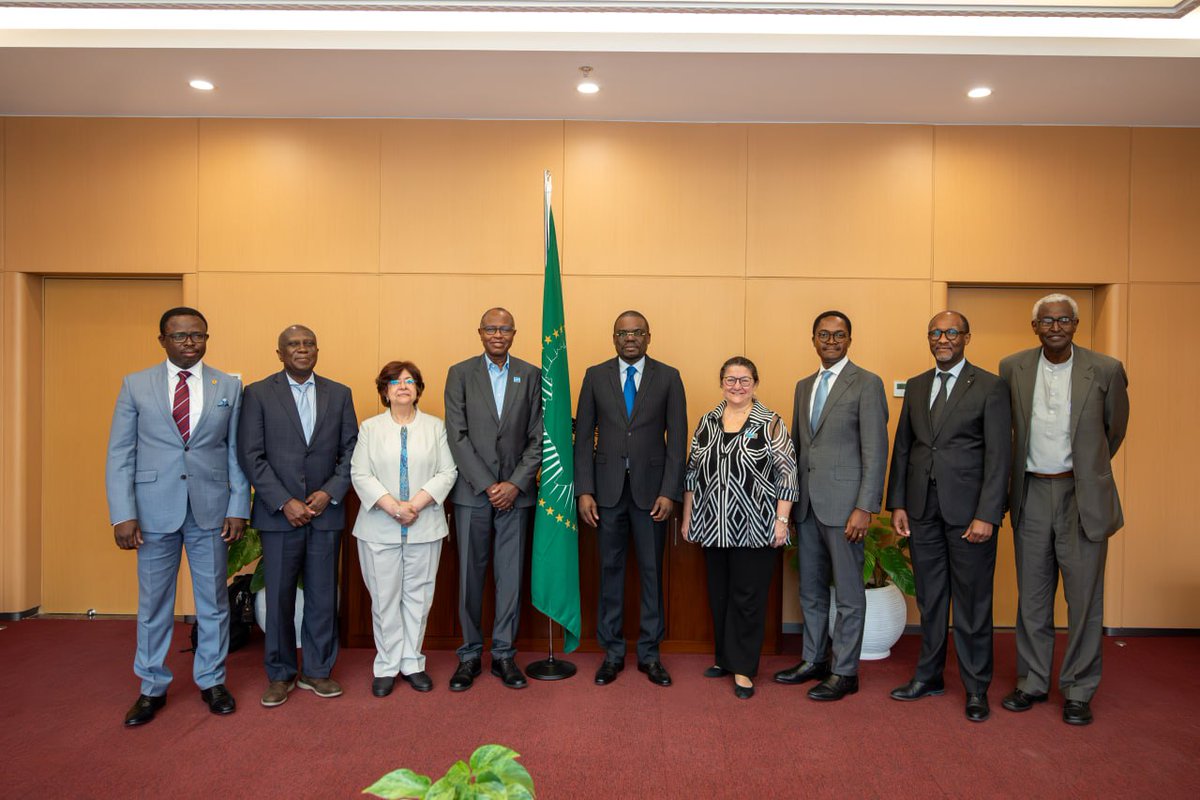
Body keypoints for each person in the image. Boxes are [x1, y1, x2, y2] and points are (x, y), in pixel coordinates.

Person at [105, 306, 250, 727]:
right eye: (180, 335)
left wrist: (238, 505)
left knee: (214, 604)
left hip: (210, 511)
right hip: (152, 513)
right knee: (153, 605)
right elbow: (120, 453)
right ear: (163, 340)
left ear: (207, 338)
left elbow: (234, 452)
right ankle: (152, 687)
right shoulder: (135, 385)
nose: (190, 342)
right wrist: (122, 514)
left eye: (198, 335)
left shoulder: (229, 385)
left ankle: (212, 680)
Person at [999, 293, 1129, 726]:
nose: (1055, 327)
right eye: (1046, 321)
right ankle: (1033, 682)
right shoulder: (1012, 367)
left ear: (1076, 324)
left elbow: (1114, 430)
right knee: (1032, 598)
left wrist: (1087, 472)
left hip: (1082, 498)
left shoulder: (1106, 370)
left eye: (1064, 320)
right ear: (1034, 326)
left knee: (1084, 600)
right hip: (1032, 491)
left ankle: (1078, 689)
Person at [886, 311, 1011, 722]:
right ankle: (929, 676)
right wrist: (899, 503)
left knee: (973, 604)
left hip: (970, 515)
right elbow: (904, 448)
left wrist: (987, 514)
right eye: (936, 333)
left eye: (951, 332)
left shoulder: (990, 387)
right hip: (922, 511)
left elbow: (999, 457)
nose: (943, 338)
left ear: (966, 338)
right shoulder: (919, 385)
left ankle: (976, 688)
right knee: (931, 598)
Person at [237, 325, 359, 708]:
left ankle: (318, 671)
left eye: (308, 344)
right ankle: (281, 674)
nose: (302, 349)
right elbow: (250, 455)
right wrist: (283, 501)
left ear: (317, 350)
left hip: (325, 514)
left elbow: (351, 450)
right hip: (279, 517)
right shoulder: (257, 393)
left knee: (323, 596)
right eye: (293, 345)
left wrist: (330, 492)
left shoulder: (339, 394)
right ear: (280, 353)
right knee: (279, 598)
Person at [775, 310, 888, 701]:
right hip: (806, 507)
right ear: (813, 339)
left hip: (845, 509)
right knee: (811, 590)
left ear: (849, 340)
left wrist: (865, 507)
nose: (831, 341)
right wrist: (786, 506)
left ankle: (845, 671)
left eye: (839, 335)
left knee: (850, 594)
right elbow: (796, 449)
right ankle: (813, 659)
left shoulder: (867, 384)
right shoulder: (803, 386)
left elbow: (876, 450)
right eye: (824, 334)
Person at [575, 310, 687, 687]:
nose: (630, 338)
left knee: (653, 574)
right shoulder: (594, 376)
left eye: (637, 332)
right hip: (605, 494)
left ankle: (650, 655)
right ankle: (612, 653)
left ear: (649, 337)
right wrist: (584, 490)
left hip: (652, 494)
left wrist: (670, 492)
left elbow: (678, 442)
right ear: (614, 338)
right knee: (609, 572)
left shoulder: (669, 377)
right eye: (623, 333)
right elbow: (582, 438)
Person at [681, 357, 798, 700]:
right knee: (720, 595)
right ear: (721, 383)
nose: (737, 386)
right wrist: (688, 517)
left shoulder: (770, 422)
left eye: (744, 380)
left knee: (748, 599)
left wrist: (782, 519)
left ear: (755, 383)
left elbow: (788, 473)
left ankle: (744, 668)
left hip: (757, 526)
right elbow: (692, 473)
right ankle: (725, 658)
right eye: (730, 380)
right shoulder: (707, 422)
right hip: (713, 525)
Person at [443, 308, 543, 691]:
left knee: (510, 579)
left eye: (505, 328)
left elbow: (539, 437)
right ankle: (469, 655)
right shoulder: (460, 373)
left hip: (517, 497)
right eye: (491, 328)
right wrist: (489, 485)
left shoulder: (531, 374)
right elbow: (457, 435)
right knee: (470, 577)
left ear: (514, 333)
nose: (498, 334)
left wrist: (515, 484)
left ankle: (503, 654)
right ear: (480, 332)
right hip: (473, 495)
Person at [350, 361, 458, 697]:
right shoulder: (370, 428)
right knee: (384, 599)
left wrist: (416, 505)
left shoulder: (435, 427)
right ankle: (386, 665)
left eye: (410, 381)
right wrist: (393, 506)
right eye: (395, 382)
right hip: (378, 527)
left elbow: (447, 472)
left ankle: (412, 662)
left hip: (424, 525)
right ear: (384, 391)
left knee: (419, 598)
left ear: (418, 389)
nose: (403, 386)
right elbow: (360, 474)